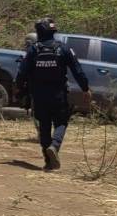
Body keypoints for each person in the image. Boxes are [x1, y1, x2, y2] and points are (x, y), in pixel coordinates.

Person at [16, 17, 90, 170]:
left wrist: (20, 90)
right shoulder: (63, 48)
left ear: (38, 32)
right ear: (53, 31)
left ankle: (48, 161)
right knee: (61, 122)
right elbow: (78, 70)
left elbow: (21, 74)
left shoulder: (33, 50)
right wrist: (85, 88)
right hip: (58, 94)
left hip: (39, 95)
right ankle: (55, 146)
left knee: (44, 125)